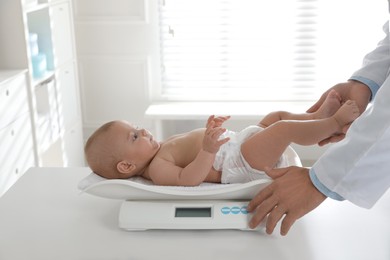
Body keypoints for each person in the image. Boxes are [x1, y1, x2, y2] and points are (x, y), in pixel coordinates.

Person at [247, 20, 390, 235]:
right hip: (233, 147)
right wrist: (364, 83)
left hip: (232, 148)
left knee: (280, 125)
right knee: (279, 123)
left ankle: (322, 120)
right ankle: (319, 119)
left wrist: (319, 181)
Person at [85, 92, 359, 187]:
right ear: (126, 166)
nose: (143, 131)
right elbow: (188, 179)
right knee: (283, 129)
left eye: (137, 128)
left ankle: (316, 117)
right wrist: (207, 149)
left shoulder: (158, 149)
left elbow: (189, 145)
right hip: (240, 162)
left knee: (275, 117)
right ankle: (332, 123)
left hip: (239, 144)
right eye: (134, 136)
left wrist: (209, 133)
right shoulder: (156, 170)